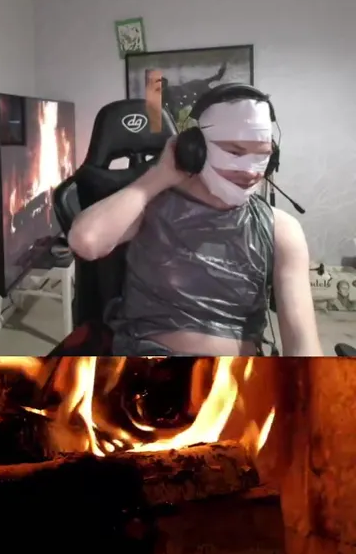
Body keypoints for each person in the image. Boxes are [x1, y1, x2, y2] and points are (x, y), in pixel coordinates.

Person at [67, 91, 323, 356]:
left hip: (239, 376)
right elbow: (85, 241)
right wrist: (159, 176)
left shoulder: (280, 228)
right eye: (234, 152)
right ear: (196, 149)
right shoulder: (152, 207)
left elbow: (302, 342)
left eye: (262, 154)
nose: (250, 172)